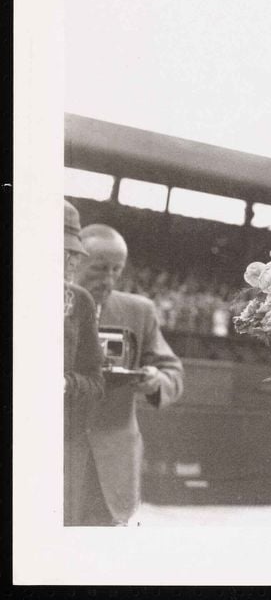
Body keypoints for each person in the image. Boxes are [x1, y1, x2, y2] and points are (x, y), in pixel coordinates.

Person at [74, 224, 185, 526]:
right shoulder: (44, 304)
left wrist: (154, 380)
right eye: (99, 269)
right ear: (73, 260)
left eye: (116, 270)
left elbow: (172, 372)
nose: (108, 280)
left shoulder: (139, 311)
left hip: (112, 461)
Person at [63, 200, 105, 525]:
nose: (70, 258)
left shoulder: (80, 302)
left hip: (58, 438)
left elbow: (95, 381)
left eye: (74, 250)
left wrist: (65, 383)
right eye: (61, 248)